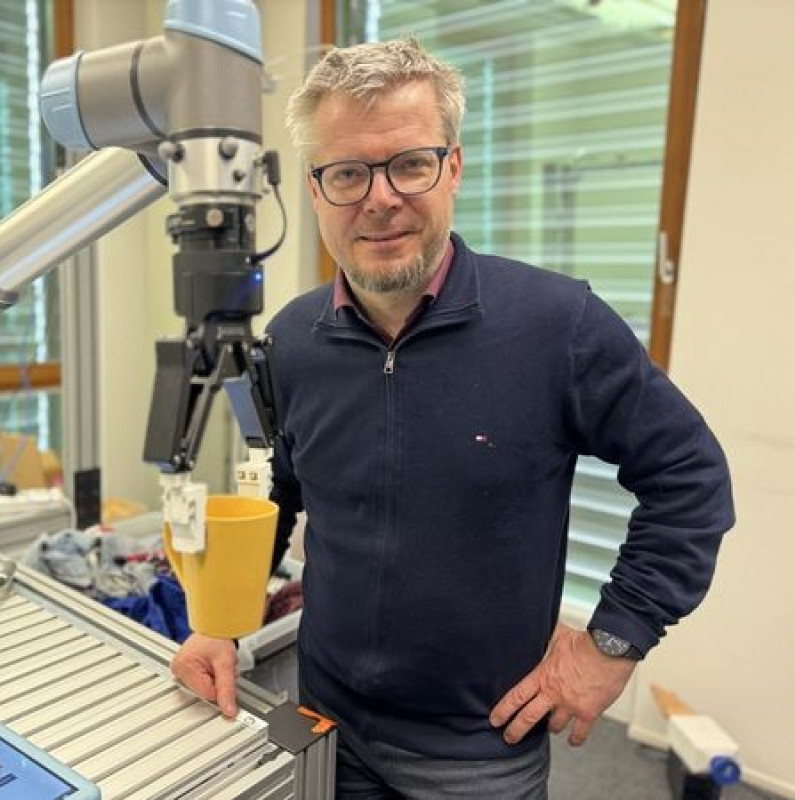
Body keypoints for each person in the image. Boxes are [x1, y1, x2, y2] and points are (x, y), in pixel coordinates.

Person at [171, 37, 734, 799]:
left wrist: (612, 641)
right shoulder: (292, 340)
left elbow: (690, 477)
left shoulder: (555, 325)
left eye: (408, 163)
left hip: (477, 750)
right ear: (314, 190)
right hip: (322, 716)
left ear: (454, 168)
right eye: (346, 173)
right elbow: (279, 489)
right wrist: (222, 620)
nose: (379, 198)